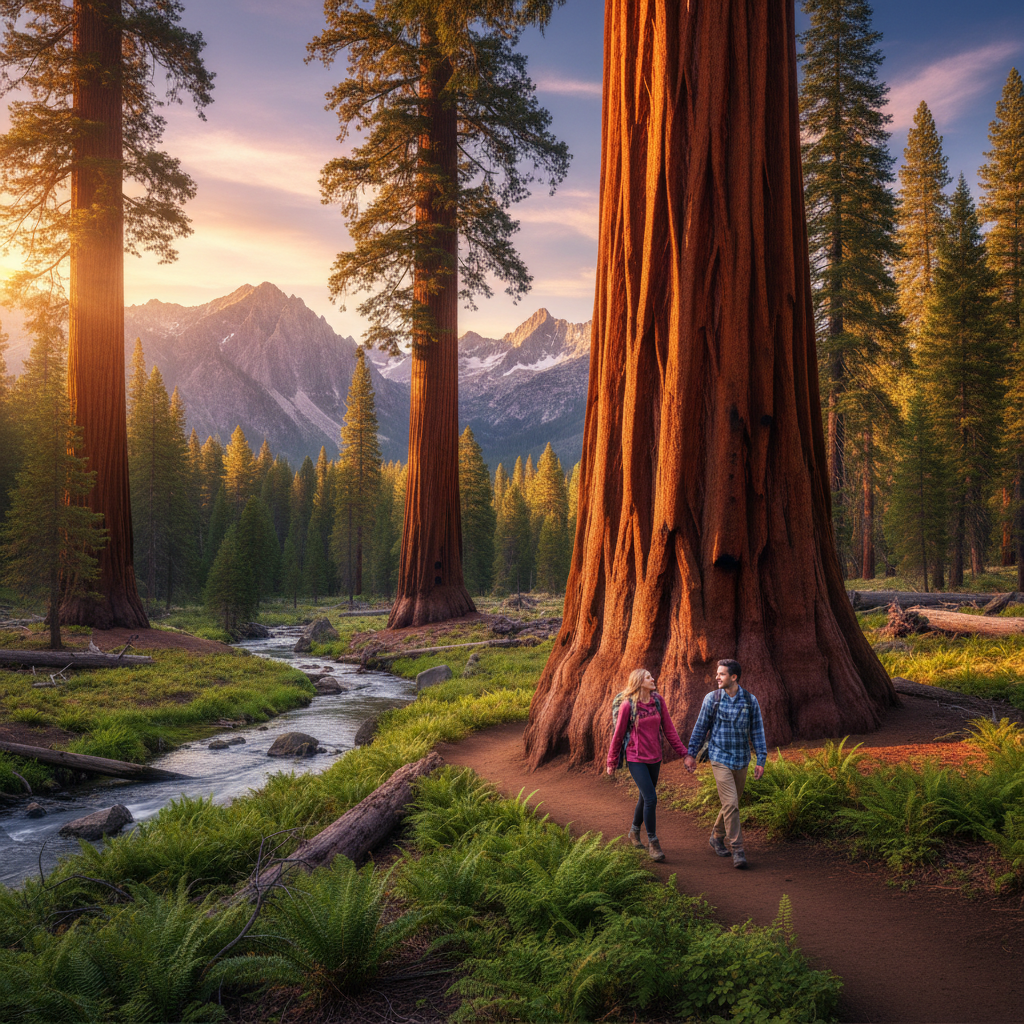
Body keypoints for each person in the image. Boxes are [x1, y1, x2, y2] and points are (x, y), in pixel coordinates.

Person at [683, 659, 767, 869]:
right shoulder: (712, 699)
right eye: (717, 673)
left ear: (734, 677)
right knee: (731, 804)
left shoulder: (750, 700)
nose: (717, 677)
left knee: (732, 804)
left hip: (741, 759)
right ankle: (738, 849)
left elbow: (757, 731)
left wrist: (761, 759)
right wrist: (690, 753)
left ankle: (716, 837)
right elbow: (700, 727)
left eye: (721, 674)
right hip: (719, 757)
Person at [606, 668, 690, 862]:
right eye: (648, 677)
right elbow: (618, 734)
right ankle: (653, 842)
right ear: (639, 681)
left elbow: (669, 730)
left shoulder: (658, 702)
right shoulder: (628, 705)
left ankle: (634, 832)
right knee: (651, 798)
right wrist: (611, 761)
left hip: (655, 757)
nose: (653, 679)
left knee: (645, 797)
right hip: (636, 758)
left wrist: (684, 754)